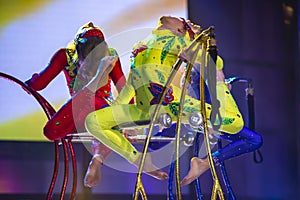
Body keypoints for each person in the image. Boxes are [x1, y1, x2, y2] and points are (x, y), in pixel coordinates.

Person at [84, 16, 244, 181]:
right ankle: (139, 159)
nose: (181, 19)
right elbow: (131, 85)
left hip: (173, 105)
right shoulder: (140, 46)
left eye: (182, 21)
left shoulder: (179, 41)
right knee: (93, 121)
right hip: (143, 110)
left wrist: (196, 46)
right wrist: (115, 114)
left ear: (180, 30)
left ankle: (222, 95)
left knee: (235, 123)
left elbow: (214, 62)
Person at [26, 22, 129, 187]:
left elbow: (39, 85)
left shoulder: (65, 55)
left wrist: (31, 80)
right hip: (101, 113)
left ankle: (100, 150)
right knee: (107, 128)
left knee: (51, 131)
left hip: (75, 113)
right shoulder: (111, 56)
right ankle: (98, 157)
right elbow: (126, 93)